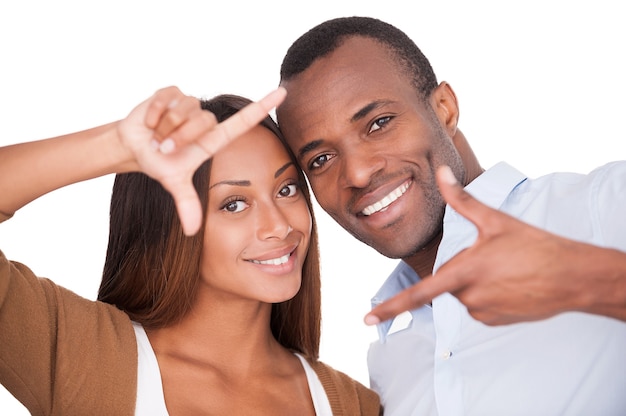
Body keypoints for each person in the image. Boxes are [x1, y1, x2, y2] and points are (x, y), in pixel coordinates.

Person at [271, 16, 626, 415]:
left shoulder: (601, 206)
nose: (356, 172)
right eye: (321, 158)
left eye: (379, 123)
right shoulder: (389, 362)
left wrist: (591, 280)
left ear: (444, 109)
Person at [0, 86, 381, 415]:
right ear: (169, 226)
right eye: (234, 203)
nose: (280, 225)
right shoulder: (85, 357)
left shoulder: (352, 405)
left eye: (286, 189)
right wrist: (116, 147)